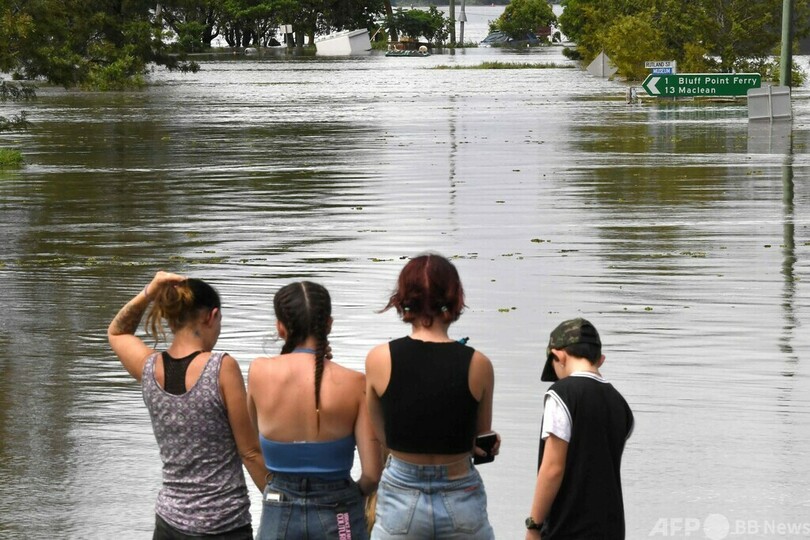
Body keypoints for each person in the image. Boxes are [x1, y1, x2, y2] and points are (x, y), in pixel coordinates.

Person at [107, 271, 266, 540]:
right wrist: (284, 501)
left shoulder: (148, 369)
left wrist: (150, 291)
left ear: (171, 317)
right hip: (224, 526)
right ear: (211, 316)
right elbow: (249, 452)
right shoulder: (221, 368)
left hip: (169, 524)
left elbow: (117, 331)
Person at [365, 252, 497, 539]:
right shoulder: (479, 364)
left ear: (403, 300)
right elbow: (479, 436)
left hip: (402, 492)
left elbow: (383, 435)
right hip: (460, 489)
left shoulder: (379, 359)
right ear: (455, 299)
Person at [247, 281, 382, 540]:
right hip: (340, 512)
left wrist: (275, 490)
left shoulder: (259, 372)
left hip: (278, 508)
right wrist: (350, 497)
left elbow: (251, 448)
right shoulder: (355, 383)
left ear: (280, 327)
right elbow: (372, 474)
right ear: (329, 324)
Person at [525, 318, 634, 539]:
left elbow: (553, 468)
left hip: (567, 529)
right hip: (611, 530)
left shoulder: (561, 394)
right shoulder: (620, 404)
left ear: (559, 356)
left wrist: (533, 526)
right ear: (600, 360)